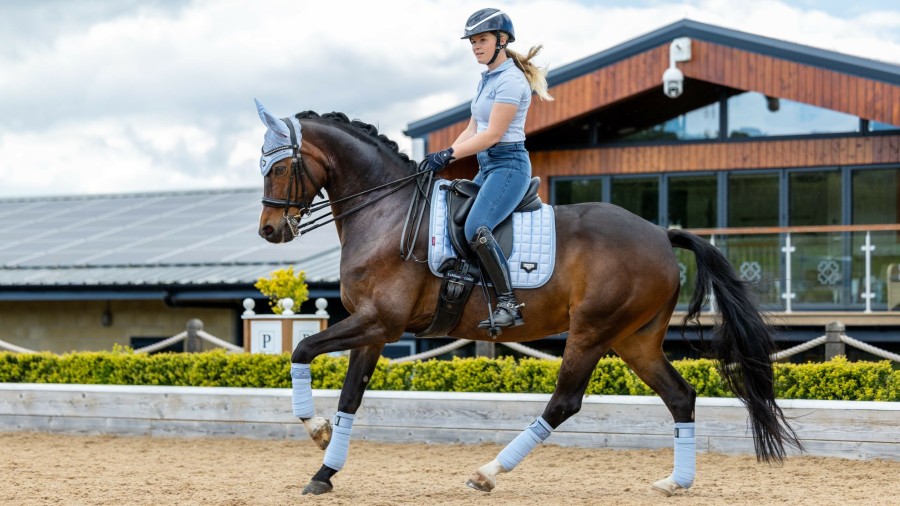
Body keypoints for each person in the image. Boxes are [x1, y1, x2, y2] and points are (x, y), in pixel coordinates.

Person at [423, 8, 553, 329]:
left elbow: (492, 135)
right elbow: (472, 128)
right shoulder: (488, 79)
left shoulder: (510, 81)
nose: (476, 47)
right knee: (455, 212)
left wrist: (449, 154)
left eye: (481, 40)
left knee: (476, 228)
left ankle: (509, 303)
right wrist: (444, 156)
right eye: (472, 42)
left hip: (509, 166)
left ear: (502, 40)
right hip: (488, 165)